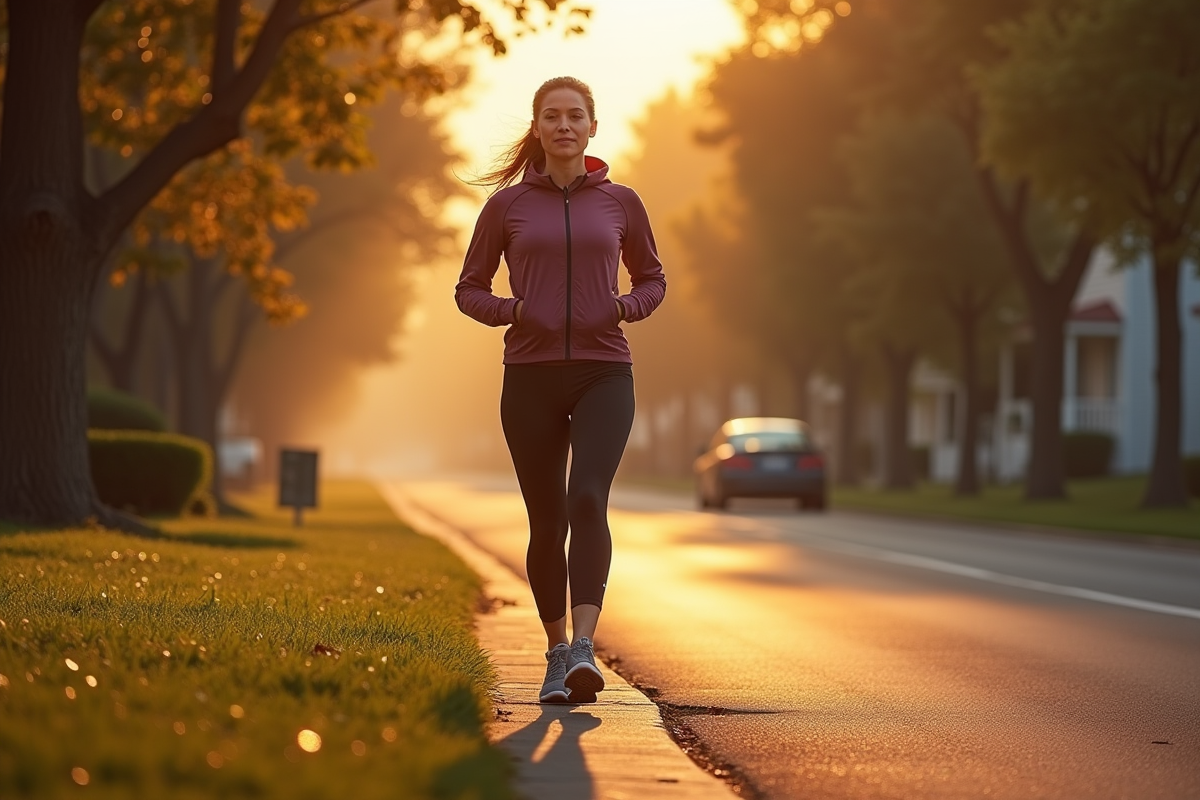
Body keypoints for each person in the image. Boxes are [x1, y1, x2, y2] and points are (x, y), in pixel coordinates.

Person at [455, 76, 666, 704]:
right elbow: (469, 289)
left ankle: (583, 648)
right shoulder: (507, 207)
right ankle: (554, 653)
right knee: (546, 521)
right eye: (552, 116)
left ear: (593, 128)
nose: (564, 125)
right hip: (530, 375)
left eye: (576, 115)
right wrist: (516, 312)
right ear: (538, 127)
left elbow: (653, 279)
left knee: (588, 500)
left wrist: (623, 307)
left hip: (605, 371)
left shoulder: (622, 203)